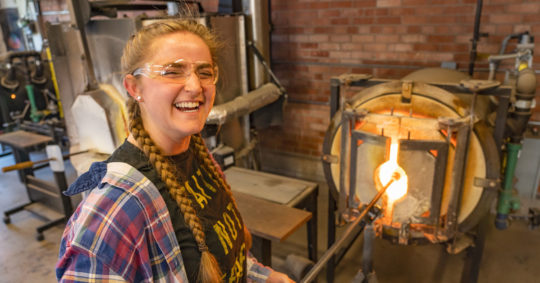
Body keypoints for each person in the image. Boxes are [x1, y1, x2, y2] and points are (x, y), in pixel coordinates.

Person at [56, 19, 294, 283]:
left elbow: (226, 258)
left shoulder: (197, 153)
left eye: (204, 72)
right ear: (134, 88)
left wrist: (265, 277)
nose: (195, 86)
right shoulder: (115, 204)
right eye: (172, 71)